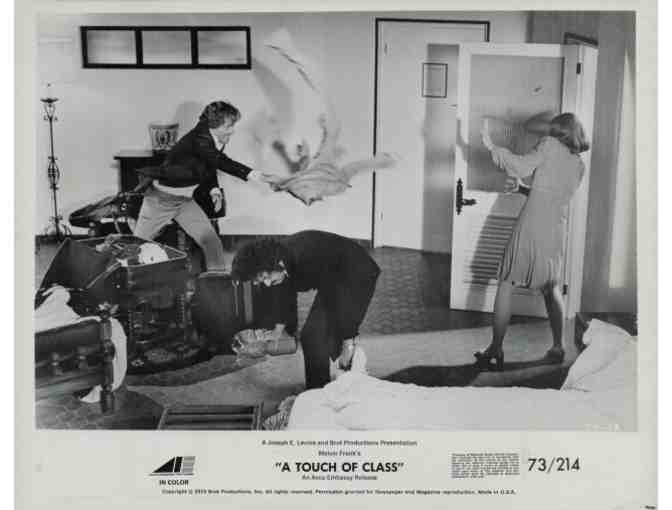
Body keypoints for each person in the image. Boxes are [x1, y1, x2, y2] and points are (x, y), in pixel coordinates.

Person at [475, 113, 590, 371]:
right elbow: (550, 195)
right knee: (551, 288)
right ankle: (559, 347)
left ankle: (496, 348)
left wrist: (492, 147)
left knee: (507, 282)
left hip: (532, 224)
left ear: (559, 130)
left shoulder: (549, 144)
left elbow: (520, 166)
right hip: (555, 228)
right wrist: (521, 189)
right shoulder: (579, 165)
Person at [133, 101, 282, 271]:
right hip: (161, 201)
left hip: (184, 202)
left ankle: (217, 280)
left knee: (211, 242)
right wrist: (261, 176)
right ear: (214, 125)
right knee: (136, 247)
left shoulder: (213, 137)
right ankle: (121, 280)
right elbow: (221, 162)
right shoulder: (199, 139)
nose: (232, 130)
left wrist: (214, 189)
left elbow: (209, 164)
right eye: (228, 126)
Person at [231, 230, 380, 389]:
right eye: (261, 280)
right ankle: (317, 392)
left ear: (276, 264)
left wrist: (348, 341)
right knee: (313, 338)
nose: (266, 283)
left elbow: (344, 303)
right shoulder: (277, 261)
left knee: (320, 337)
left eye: (266, 277)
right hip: (332, 278)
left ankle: (348, 371)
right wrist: (279, 330)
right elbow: (284, 296)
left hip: (356, 274)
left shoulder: (305, 256)